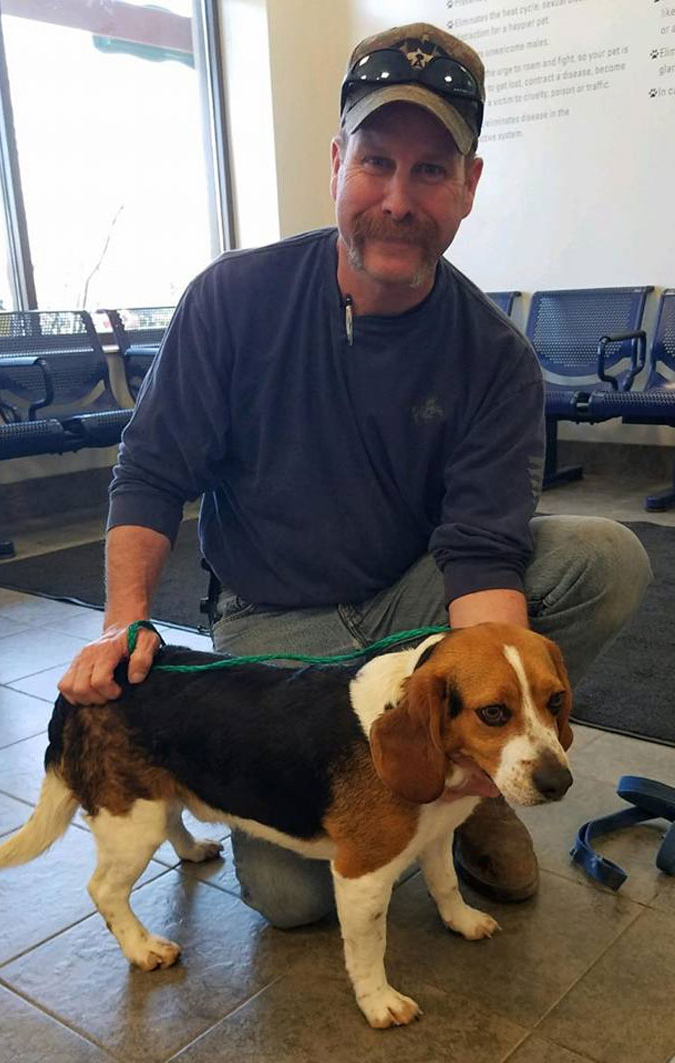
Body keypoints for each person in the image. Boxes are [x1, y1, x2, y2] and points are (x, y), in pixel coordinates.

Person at [59, 22, 651, 927]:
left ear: (469, 187)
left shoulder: (496, 358)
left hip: (411, 601)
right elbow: (149, 470)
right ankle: (427, 790)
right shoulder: (231, 298)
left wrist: (499, 752)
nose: (399, 199)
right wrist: (125, 619)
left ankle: (466, 791)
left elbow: (484, 553)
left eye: (431, 170)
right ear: (338, 160)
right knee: (295, 900)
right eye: (377, 161)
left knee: (602, 556)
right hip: (271, 615)